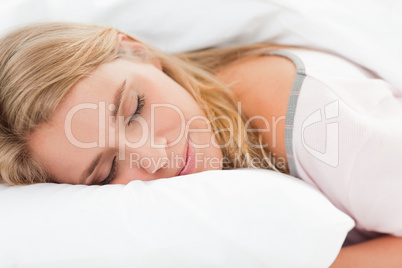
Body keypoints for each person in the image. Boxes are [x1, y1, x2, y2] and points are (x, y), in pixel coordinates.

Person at [0, 22, 401, 267]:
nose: (155, 155)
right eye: (107, 172)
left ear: (140, 52)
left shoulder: (311, 119)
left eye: (135, 109)